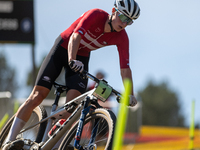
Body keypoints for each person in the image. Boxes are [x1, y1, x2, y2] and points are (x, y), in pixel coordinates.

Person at [2, 0, 140, 149]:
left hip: (82, 56)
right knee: (37, 96)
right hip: (64, 47)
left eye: (130, 21)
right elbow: (75, 36)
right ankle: (9, 140)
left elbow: (125, 68)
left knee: (73, 106)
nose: (125, 23)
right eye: (123, 17)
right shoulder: (96, 15)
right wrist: (72, 60)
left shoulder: (122, 37)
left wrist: (130, 94)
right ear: (114, 10)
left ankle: (54, 136)